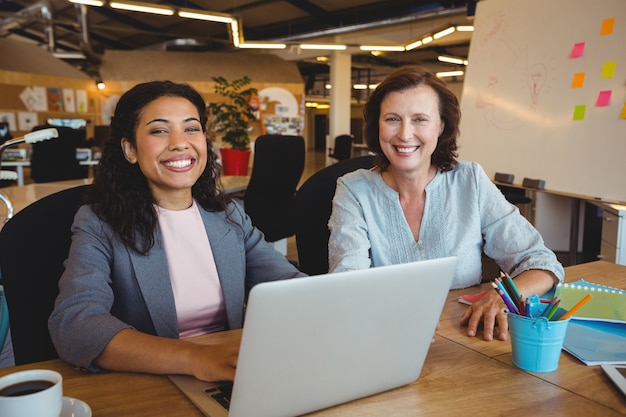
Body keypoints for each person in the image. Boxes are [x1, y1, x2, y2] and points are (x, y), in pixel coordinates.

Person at [48, 81, 305, 382]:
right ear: (129, 149)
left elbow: (291, 285)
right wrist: (192, 357)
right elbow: (75, 324)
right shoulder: (99, 223)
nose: (180, 143)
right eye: (159, 130)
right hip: (150, 381)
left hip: (228, 371)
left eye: (191, 128)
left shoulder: (229, 215)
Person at [327, 65, 563, 342]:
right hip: (386, 337)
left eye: (420, 119)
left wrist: (502, 297)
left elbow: (541, 262)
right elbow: (347, 283)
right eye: (392, 119)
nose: (404, 134)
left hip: (468, 338)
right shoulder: (354, 190)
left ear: (441, 126)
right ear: (376, 125)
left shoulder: (470, 181)